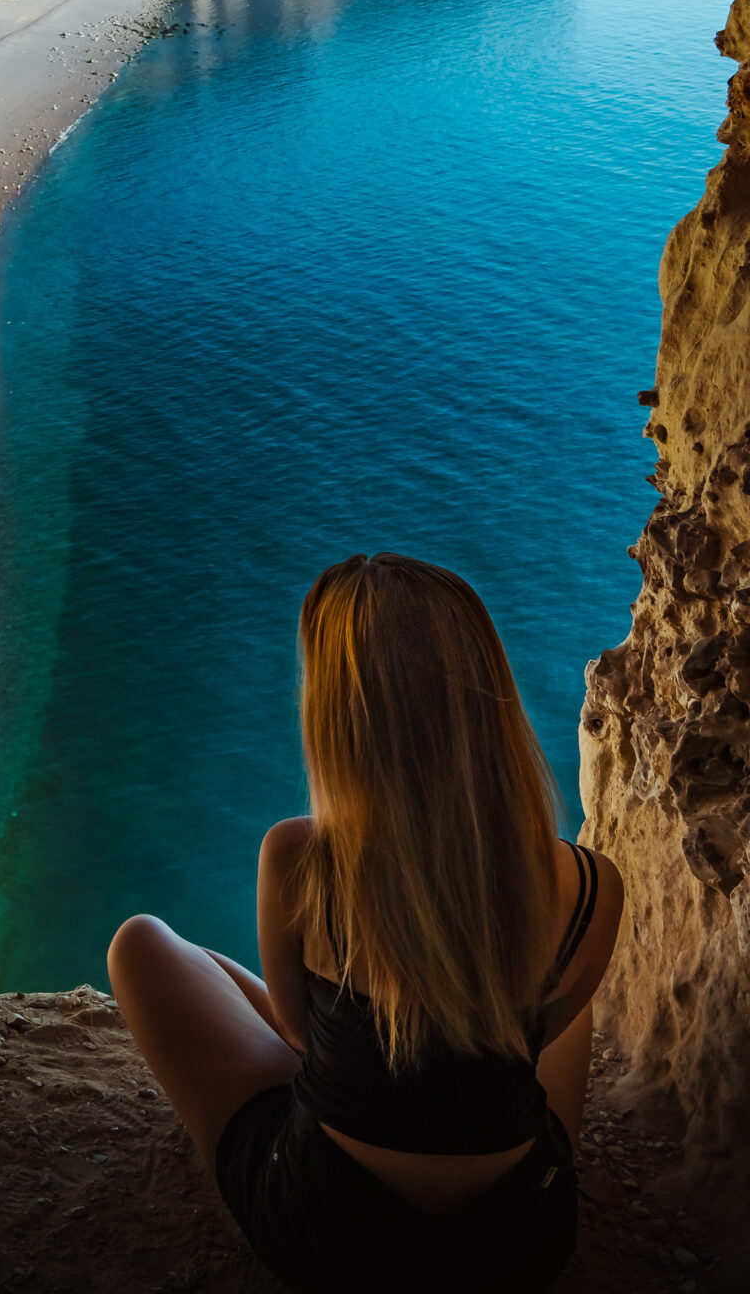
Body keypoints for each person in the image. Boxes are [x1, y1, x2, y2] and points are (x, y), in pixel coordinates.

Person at [107, 553, 623, 1294]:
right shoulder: (593, 882)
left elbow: (296, 1031)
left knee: (144, 946)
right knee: (543, 997)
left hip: (336, 1229)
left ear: (340, 713)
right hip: (523, 1237)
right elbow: (540, 1038)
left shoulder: (300, 855)